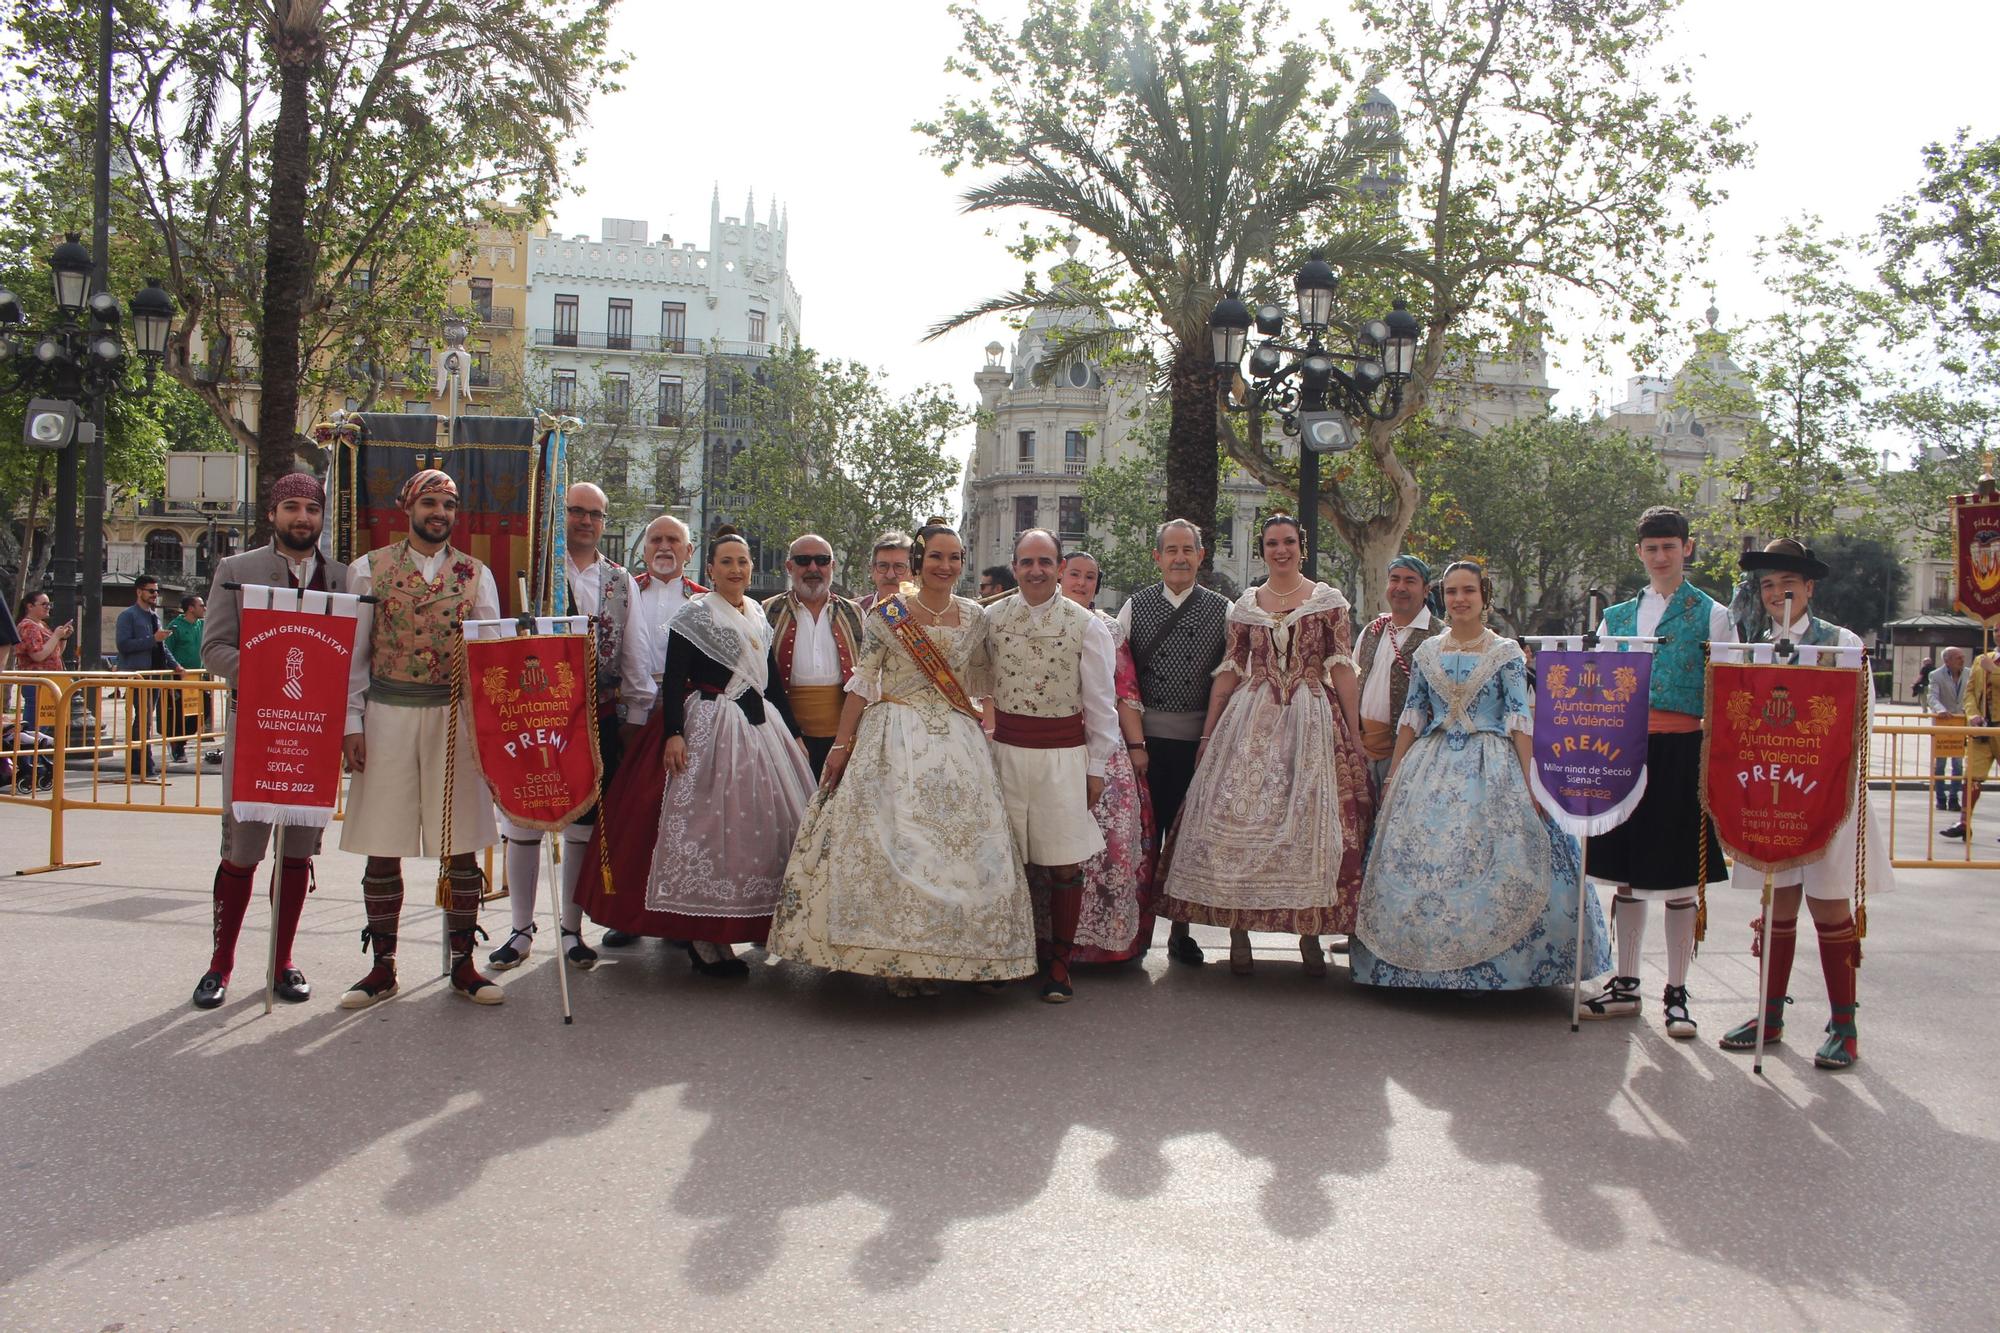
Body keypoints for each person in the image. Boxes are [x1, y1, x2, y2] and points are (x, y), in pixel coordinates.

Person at [766, 519, 1036, 996]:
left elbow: (981, 684)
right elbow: (863, 684)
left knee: (961, 850)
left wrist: (990, 731)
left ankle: (957, 956)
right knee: (894, 846)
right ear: (918, 560)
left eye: (954, 557)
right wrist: (842, 746)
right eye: (936, 556)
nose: (945, 565)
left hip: (957, 742)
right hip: (892, 735)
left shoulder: (975, 617)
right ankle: (895, 960)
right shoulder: (887, 614)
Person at [1351, 561, 1613, 990]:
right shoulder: (1427, 652)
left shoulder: (1506, 652)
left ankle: (1505, 969)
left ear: (1483, 596)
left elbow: (1518, 719)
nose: (1459, 599)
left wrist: (1531, 785)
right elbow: (1413, 717)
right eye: (1452, 591)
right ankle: (1416, 965)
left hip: (1493, 764)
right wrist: (1396, 771)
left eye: (1468, 590)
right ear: (1443, 597)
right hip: (1429, 763)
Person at [1156, 514, 1374, 976]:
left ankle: (1310, 936)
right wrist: (1210, 732)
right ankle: (1238, 933)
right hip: (1250, 718)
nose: (1281, 550)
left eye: (1288, 542)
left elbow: (1341, 669)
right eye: (1272, 543)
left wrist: (1353, 733)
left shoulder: (1327, 601)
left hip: (1313, 716)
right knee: (1234, 818)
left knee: (1310, 824)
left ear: (1302, 545)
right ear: (1263, 550)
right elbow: (1230, 670)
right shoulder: (1246, 605)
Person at [593, 527, 816, 977]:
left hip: (761, 729)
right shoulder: (695, 615)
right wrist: (673, 732)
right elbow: (674, 678)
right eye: (727, 562)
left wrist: (794, 732)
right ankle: (703, 938)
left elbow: (770, 679)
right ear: (710, 570)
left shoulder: (756, 612)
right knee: (713, 832)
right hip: (711, 726)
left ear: (752, 568)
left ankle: (749, 925)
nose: (736, 569)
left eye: (743, 562)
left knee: (760, 833)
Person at [1718, 539, 1894, 1070]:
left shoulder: (1839, 643)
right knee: (1778, 905)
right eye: (1767, 585)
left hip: (1824, 795)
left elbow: (1859, 717)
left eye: (1786, 584)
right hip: (1771, 789)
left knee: (1829, 903)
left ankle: (1845, 1025)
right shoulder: (1752, 646)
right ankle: (1769, 1015)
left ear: (1809, 587)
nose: (1777, 594)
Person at [338, 468, 505, 1008]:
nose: (440, 513)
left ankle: (463, 962)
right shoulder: (368, 571)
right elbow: (355, 656)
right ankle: (382, 966)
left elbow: (488, 660)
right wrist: (352, 724)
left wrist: (489, 732)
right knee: (383, 842)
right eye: (430, 502)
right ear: (407, 508)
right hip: (387, 714)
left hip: (453, 720)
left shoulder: (477, 575)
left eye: (449, 505)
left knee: (460, 844)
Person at [187, 473, 352, 1009]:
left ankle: (282, 961)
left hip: (315, 735)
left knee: (298, 852)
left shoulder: (344, 578)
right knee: (244, 850)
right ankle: (221, 964)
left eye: (312, 509)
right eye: (292, 508)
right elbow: (214, 648)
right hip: (257, 730)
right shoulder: (238, 571)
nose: (302, 518)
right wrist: (270, 672)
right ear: (273, 515)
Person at [1577, 506, 1733, 1037]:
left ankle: (1677, 990)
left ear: (1687, 549)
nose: (1661, 556)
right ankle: (1626, 984)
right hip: (1623, 748)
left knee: (1678, 877)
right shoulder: (1615, 617)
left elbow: (1727, 691)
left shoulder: (1713, 614)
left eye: (1670, 546)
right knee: (1626, 875)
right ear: (1639, 552)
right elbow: (1590, 680)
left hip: (1683, 751)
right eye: (1652, 548)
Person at [486, 483, 636, 976]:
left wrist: (633, 722)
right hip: (534, 712)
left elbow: (632, 657)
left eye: (595, 514)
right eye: (576, 511)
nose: (586, 521)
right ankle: (520, 930)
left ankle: (571, 930)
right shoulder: (530, 569)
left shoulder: (620, 582)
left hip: (595, 716)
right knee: (523, 821)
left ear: (605, 522)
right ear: (561, 514)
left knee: (581, 826)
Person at [983, 529, 1121, 1003]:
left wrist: (1097, 765)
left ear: (1060, 567)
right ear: (1015, 565)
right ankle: (1007, 955)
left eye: (1045, 561)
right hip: (1005, 753)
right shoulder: (991, 618)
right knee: (1009, 862)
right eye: (1027, 562)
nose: (1036, 570)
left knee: (1063, 863)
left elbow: (1103, 703)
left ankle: (1060, 962)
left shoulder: (1087, 625)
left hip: (1064, 756)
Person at [1115, 518, 1231, 966]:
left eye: (1188, 550)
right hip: (1144, 745)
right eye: (1172, 550)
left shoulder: (1224, 610)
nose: (1180, 558)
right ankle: (1139, 934)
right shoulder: (1135, 607)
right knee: (1146, 842)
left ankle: (1180, 933)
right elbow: (1120, 678)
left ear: (1202, 556)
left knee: (1185, 844)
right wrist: (1132, 744)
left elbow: (1231, 677)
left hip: (1200, 746)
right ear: (1157, 557)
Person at [590, 512, 707, 949]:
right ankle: (630, 915)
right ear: (643, 548)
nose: (664, 547)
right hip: (630, 712)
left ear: (689, 552)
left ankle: (677, 916)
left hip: (688, 716)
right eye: (656, 539)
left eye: (673, 540)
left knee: (683, 817)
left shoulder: (704, 601)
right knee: (632, 815)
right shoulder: (622, 591)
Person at [1054, 550, 1156, 965]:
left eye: (1090, 577)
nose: (1081, 582)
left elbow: (1126, 694)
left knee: (1107, 844)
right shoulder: (1039, 620)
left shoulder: (1110, 629)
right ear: (1060, 575)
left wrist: (1136, 749)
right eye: (1074, 574)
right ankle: (1050, 940)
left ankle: (1102, 944)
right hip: (1052, 742)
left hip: (1103, 747)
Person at [763, 533, 863, 777]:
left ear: (833, 566)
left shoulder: (855, 614)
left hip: (843, 739)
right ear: (789, 567)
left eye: (821, 560)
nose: (813, 568)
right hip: (783, 736)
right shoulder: (766, 612)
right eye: (803, 560)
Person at [1353, 555, 1444, 790]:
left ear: (1425, 590)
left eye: (1410, 581)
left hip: (1412, 756)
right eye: (1395, 579)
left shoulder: (1440, 637)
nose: (1400, 587)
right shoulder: (1371, 632)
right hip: (1362, 753)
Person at [115, 574, 176, 776]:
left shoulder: (154, 616)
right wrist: (152, 639)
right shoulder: (128, 616)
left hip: (155, 674)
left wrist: (177, 666)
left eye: (156, 591)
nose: (155, 595)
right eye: (151, 591)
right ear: (139, 591)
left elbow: (162, 646)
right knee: (143, 719)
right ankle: (142, 763)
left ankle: (140, 762)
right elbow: (123, 644)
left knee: (146, 718)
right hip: (139, 675)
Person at [1946, 645, 1998, 842]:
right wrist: (1973, 714)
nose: (1999, 633)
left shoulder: (1989, 663)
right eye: (1996, 629)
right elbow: (1969, 692)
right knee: (1971, 776)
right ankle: (1964, 821)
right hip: (1982, 728)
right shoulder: (1981, 659)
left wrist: (1994, 670)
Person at [12, 590, 72, 733]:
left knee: (42, 727)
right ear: (30, 606)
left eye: (49, 604)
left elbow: (54, 654)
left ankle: (36, 754)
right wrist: (56, 636)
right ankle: (28, 755)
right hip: (37, 682)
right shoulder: (28, 626)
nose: (48, 607)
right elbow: (38, 655)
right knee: (34, 727)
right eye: (44, 604)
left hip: (48, 682)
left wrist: (62, 638)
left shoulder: (42, 625)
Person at [165, 594, 206, 762]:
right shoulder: (175, 626)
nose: (204, 608)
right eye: (201, 605)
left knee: (201, 713)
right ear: (191, 608)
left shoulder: (202, 625)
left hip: (197, 677)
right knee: (180, 715)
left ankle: (179, 742)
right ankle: (177, 746)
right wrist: (169, 683)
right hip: (179, 678)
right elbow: (166, 651)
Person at [1928, 646, 1968, 816]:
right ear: (1947, 661)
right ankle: (1940, 798)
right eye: (1958, 657)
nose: (1962, 660)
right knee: (1940, 764)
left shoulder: (1969, 673)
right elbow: (1932, 697)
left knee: (1958, 764)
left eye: (1962, 657)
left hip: (1961, 723)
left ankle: (1954, 798)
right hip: (1943, 723)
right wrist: (1940, 709)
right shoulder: (1936, 675)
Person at [855, 530, 913, 613]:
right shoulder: (851, 613)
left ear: (913, 573)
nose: (890, 575)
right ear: (872, 570)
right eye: (883, 566)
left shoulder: (929, 617)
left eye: (899, 566)